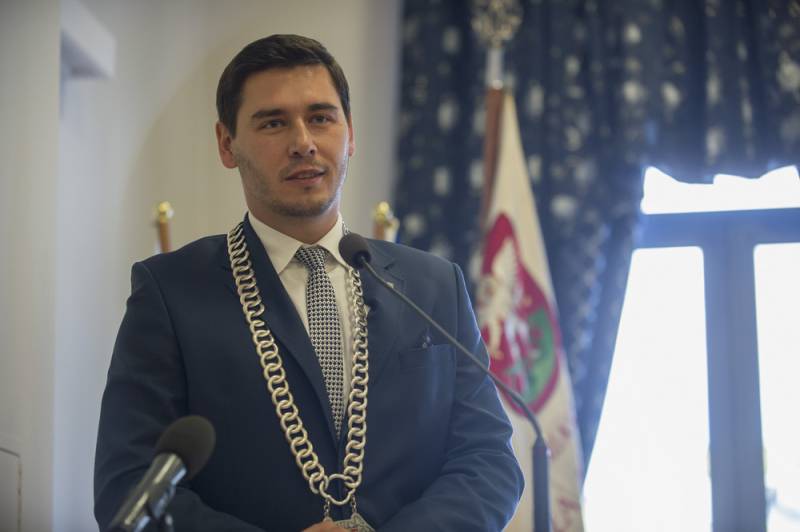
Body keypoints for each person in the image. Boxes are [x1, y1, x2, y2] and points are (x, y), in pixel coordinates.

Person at [94, 34, 523, 532]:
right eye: (273, 123)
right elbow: (129, 486)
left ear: (350, 134)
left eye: (321, 118)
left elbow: (489, 461)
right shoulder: (171, 292)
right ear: (227, 144)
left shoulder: (434, 286)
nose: (303, 142)